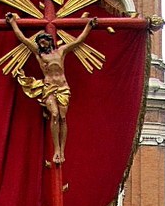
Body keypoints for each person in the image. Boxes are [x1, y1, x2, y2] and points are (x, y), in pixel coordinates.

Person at [6, 12, 97, 164]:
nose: (42, 44)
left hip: (63, 88)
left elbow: (78, 41)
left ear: (49, 41)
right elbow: (22, 39)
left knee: (62, 117)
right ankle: (56, 149)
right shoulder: (38, 54)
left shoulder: (60, 52)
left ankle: (62, 149)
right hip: (48, 87)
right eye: (40, 42)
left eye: (44, 41)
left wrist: (89, 26)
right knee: (54, 115)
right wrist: (13, 23)